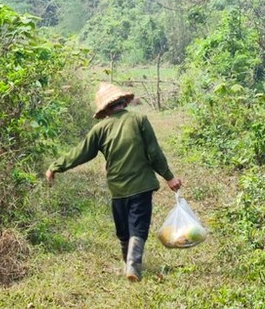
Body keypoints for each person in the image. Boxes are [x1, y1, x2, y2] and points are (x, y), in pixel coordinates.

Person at [45, 82, 182, 282]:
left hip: (117, 189)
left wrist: (55, 166)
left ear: (105, 109)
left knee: (124, 230)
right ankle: (133, 266)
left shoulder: (100, 129)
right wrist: (169, 177)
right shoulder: (139, 119)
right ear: (123, 102)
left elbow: (80, 153)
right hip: (142, 186)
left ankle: (128, 264)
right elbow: (154, 153)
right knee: (138, 227)